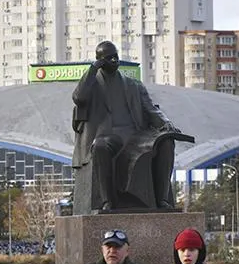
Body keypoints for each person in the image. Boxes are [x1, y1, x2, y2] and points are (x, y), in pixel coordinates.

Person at [71, 40, 182, 212]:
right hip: (108, 136)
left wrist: (166, 124)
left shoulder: (133, 85)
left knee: (166, 142)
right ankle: (107, 202)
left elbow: (151, 110)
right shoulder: (92, 85)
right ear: (99, 61)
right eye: (109, 58)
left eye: (116, 57)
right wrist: (93, 69)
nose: (114, 61)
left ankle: (162, 200)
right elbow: (79, 98)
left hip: (135, 136)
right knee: (100, 146)